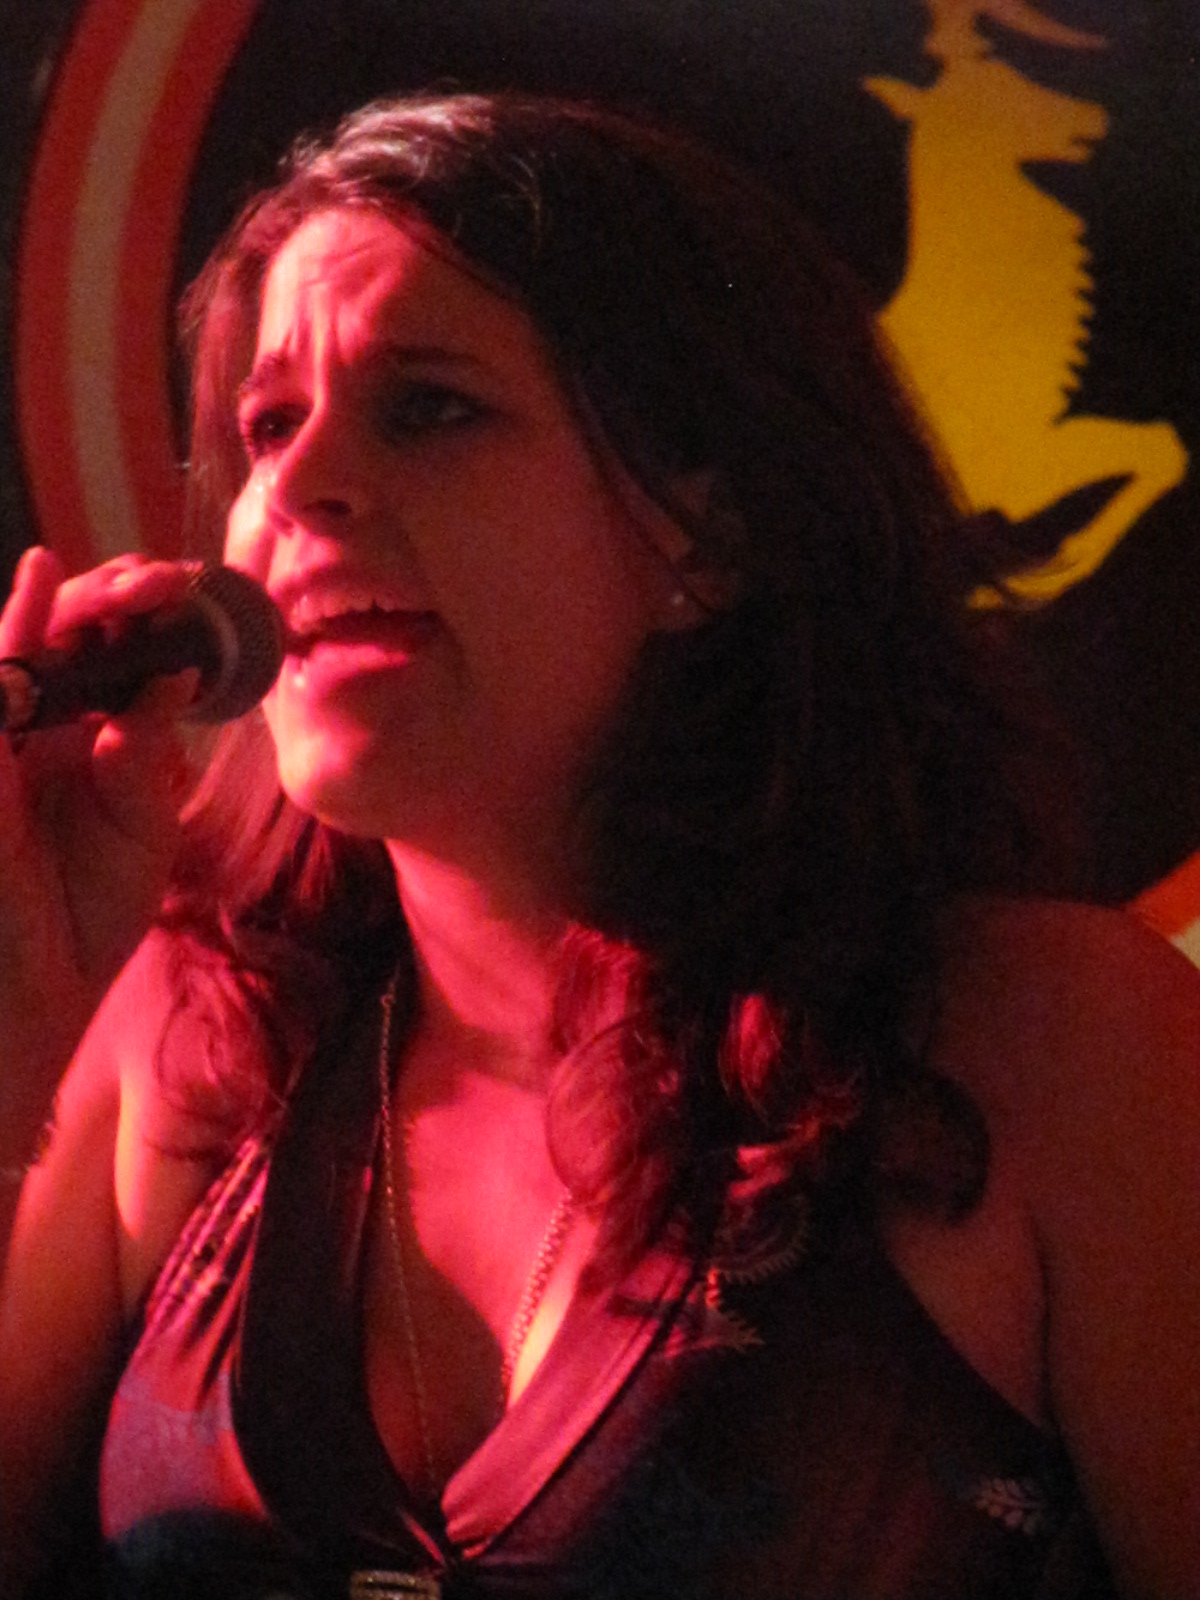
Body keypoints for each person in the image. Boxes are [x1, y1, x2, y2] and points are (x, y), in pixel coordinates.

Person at [0, 90, 1197, 1600]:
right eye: (268, 425)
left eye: (429, 406)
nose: (293, 490)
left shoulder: (1056, 1039)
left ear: (707, 538)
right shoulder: (180, 1028)